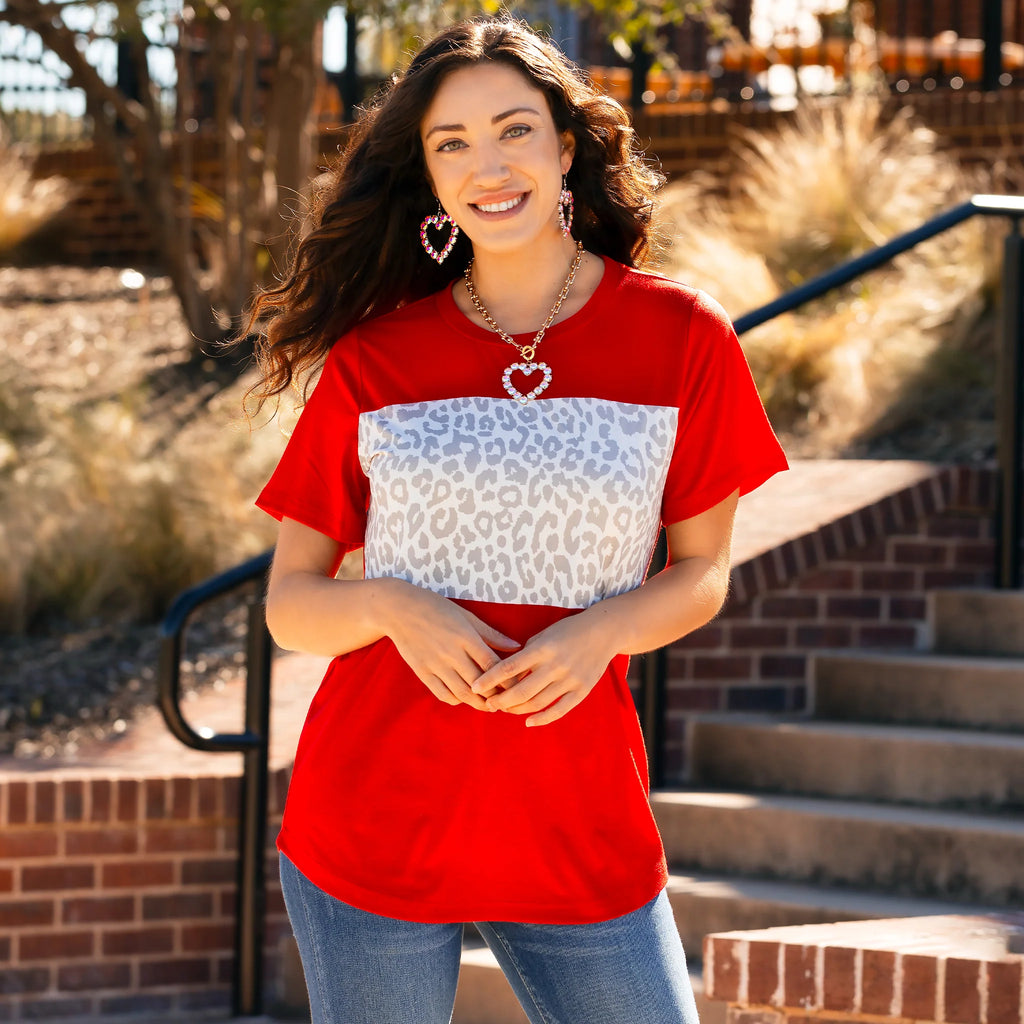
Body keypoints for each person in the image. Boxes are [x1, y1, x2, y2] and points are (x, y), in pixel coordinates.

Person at [247, 15, 787, 1024]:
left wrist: (601, 631)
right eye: (451, 143)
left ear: (566, 148)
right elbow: (291, 605)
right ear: (428, 175)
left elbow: (702, 571)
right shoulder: (376, 360)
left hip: (577, 820)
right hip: (372, 819)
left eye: (514, 131)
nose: (486, 167)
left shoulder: (683, 337)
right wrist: (394, 605)